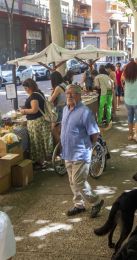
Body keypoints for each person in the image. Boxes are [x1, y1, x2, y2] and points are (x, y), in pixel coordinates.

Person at [61, 84, 104, 218]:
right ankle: (79, 205)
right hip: (68, 152)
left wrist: (87, 145)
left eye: (72, 93)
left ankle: (96, 201)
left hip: (80, 151)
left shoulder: (85, 112)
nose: (69, 96)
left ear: (79, 95)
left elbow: (95, 132)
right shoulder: (65, 110)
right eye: (67, 93)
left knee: (78, 180)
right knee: (72, 181)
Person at [21, 78, 52, 168]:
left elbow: (34, 110)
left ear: (30, 87)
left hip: (36, 122)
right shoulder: (39, 93)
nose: (25, 90)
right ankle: (41, 161)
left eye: (26, 88)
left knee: (36, 142)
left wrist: (24, 111)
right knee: (40, 141)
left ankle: (41, 163)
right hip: (40, 121)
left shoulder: (34, 96)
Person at [121, 61, 137, 143]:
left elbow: (122, 75)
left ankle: (131, 135)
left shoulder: (126, 78)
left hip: (128, 101)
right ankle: (136, 134)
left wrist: (125, 70)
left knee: (130, 118)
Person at [49, 71, 68, 149]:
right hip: (65, 107)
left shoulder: (58, 88)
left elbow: (51, 100)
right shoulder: (65, 84)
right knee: (61, 131)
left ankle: (61, 150)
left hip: (59, 110)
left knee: (54, 132)